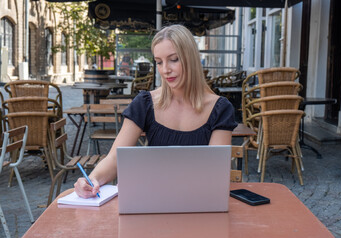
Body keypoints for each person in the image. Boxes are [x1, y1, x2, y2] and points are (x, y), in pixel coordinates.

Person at [74, 24, 237, 198]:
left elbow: (214, 173)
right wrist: (92, 180)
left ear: (191, 59)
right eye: (159, 62)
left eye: (174, 59)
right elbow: (115, 159)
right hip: (153, 203)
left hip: (200, 203)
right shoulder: (145, 103)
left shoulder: (220, 109)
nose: (165, 69)